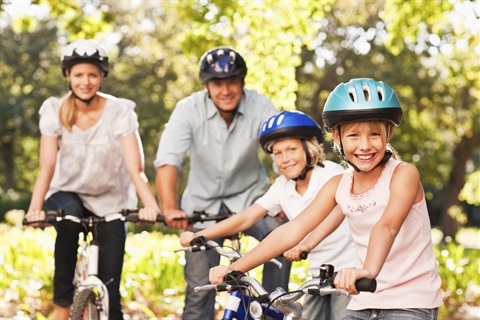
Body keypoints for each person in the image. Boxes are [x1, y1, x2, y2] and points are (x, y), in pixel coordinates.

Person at [209, 78, 443, 320]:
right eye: (353, 135)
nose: (364, 145)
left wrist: (367, 270)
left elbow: (387, 226)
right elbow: (291, 231)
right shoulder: (339, 184)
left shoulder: (404, 174)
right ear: (337, 137)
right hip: (364, 300)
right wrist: (234, 268)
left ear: (389, 133)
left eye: (374, 134)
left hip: (411, 301)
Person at [25, 39, 160, 320]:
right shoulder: (54, 109)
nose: (85, 81)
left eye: (92, 75)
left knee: (111, 291)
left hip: (111, 199)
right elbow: (47, 164)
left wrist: (150, 206)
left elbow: (135, 167)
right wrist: (35, 207)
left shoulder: (120, 111)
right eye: (78, 75)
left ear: (102, 77)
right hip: (67, 192)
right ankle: (63, 305)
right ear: (68, 76)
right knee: (68, 219)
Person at [154, 46, 291, 320]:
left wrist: (286, 200)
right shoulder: (188, 109)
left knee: (282, 239)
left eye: (232, 82)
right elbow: (169, 159)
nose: (225, 90)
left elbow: (282, 151)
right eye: (217, 83)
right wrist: (170, 207)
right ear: (206, 85)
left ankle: (272, 308)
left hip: (252, 202)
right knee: (199, 293)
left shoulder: (260, 105)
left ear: (242, 82)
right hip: (202, 209)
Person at [180, 110, 357, 320]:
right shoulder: (282, 186)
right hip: (319, 275)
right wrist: (202, 235)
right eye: (278, 153)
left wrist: (304, 245)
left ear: (309, 148)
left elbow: (335, 214)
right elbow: (246, 217)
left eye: (291, 149)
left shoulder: (331, 174)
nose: (285, 158)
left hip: (350, 272)